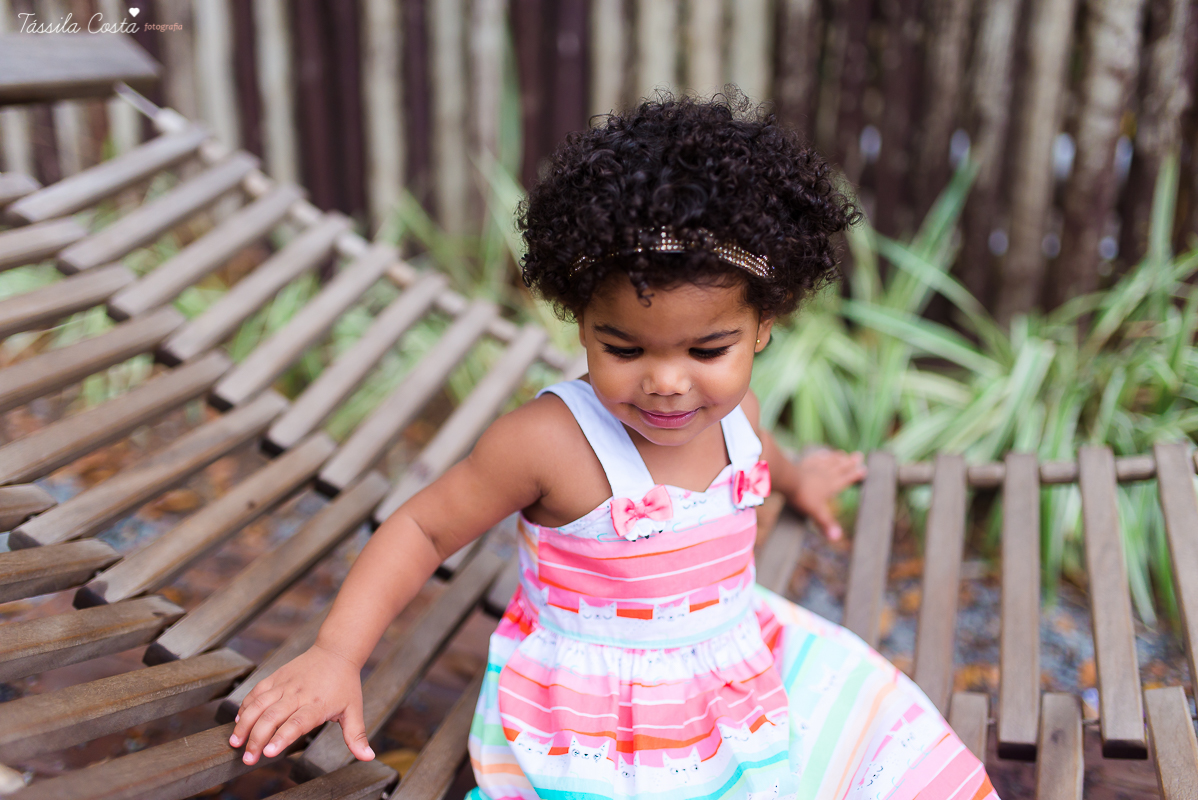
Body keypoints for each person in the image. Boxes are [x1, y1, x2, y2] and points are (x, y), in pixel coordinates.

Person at [230, 93, 997, 800]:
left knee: (890, 757)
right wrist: (337, 653)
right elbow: (423, 528)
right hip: (605, 720)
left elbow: (756, 454)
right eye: (623, 348)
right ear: (579, 321)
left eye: (707, 351)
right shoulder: (548, 445)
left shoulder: (740, 412)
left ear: (765, 325)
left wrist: (797, 481)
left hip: (734, 661)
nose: (667, 383)